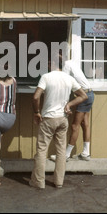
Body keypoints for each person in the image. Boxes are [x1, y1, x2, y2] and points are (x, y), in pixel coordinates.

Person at [29, 57, 87, 189]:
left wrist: (36, 112)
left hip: (48, 118)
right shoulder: (69, 78)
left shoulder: (46, 77)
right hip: (62, 118)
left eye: (49, 62)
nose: (48, 64)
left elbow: (36, 96)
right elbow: (84, 96)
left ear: (53, 63)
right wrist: (69, 105)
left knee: (42, 151)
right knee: (61, 151)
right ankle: (59, 182)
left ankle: (39, 182)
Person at [63, 59, 95, 161]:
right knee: (85, 124)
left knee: (74, 126)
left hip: (83, 95)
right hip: (90, 93)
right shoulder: (72, 62)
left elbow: (65, 83)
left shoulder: (66, 65)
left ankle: (66, 155)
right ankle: (86, 153)